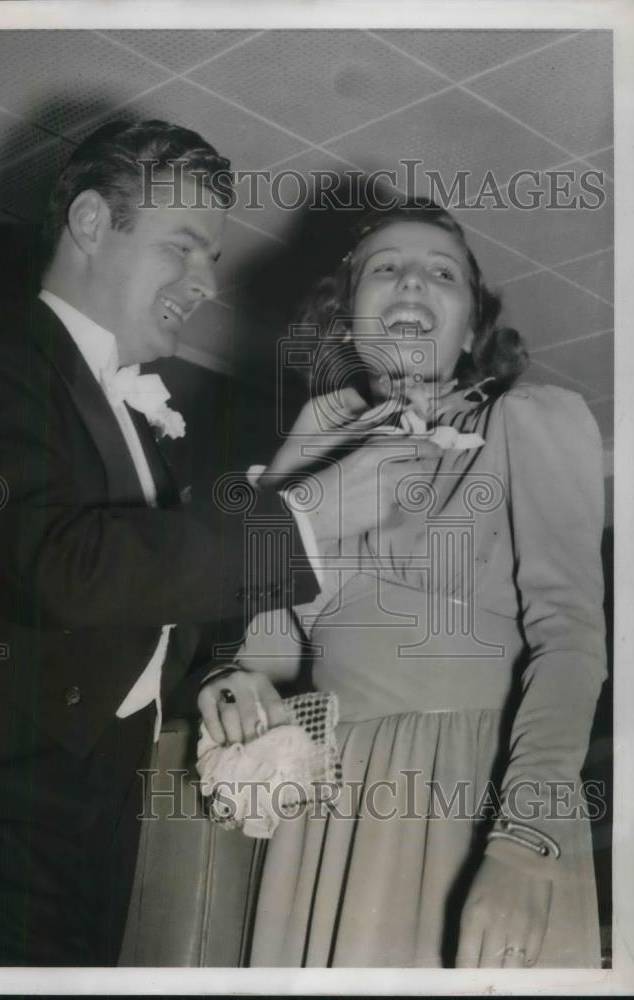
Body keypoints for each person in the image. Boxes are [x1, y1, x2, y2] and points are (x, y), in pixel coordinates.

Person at [0, 119, 396, 967]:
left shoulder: (140, 429)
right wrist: (302, 518)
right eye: (184, 248)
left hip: (94, 811)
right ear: (91, 224)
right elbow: (65, 568)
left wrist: (212, 678)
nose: (205, 281)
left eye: (212, 260)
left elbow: (117, 606)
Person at [213, 200, 606, 968]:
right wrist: (234, 684)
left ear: (470, 330)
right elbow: (264, 648)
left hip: (467, 787)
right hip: (325, 806)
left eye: (442, 273)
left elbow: (570, 641)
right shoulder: (310, 446)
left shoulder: (526, 421)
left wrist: (524, 840)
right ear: (347, 315)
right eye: (385, 269)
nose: (411, 284)